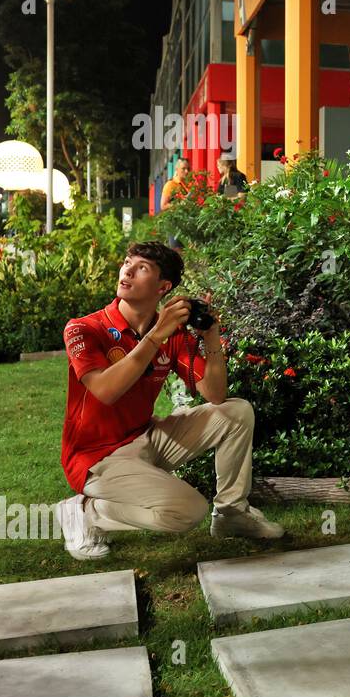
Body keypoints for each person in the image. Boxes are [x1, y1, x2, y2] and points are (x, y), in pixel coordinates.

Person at [55, 240, 283, 560]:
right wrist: (155, 336)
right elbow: (106, 391)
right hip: (96, 458)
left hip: (146, 438)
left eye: (142, 268)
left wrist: (212, 338)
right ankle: (84, 512)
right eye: (127, 263)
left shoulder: (170, 334)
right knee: (186, 512)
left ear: (163, 287)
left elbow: (215, 394)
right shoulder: (84, 328)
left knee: (236, 411)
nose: (127, 270)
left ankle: (232, 514)